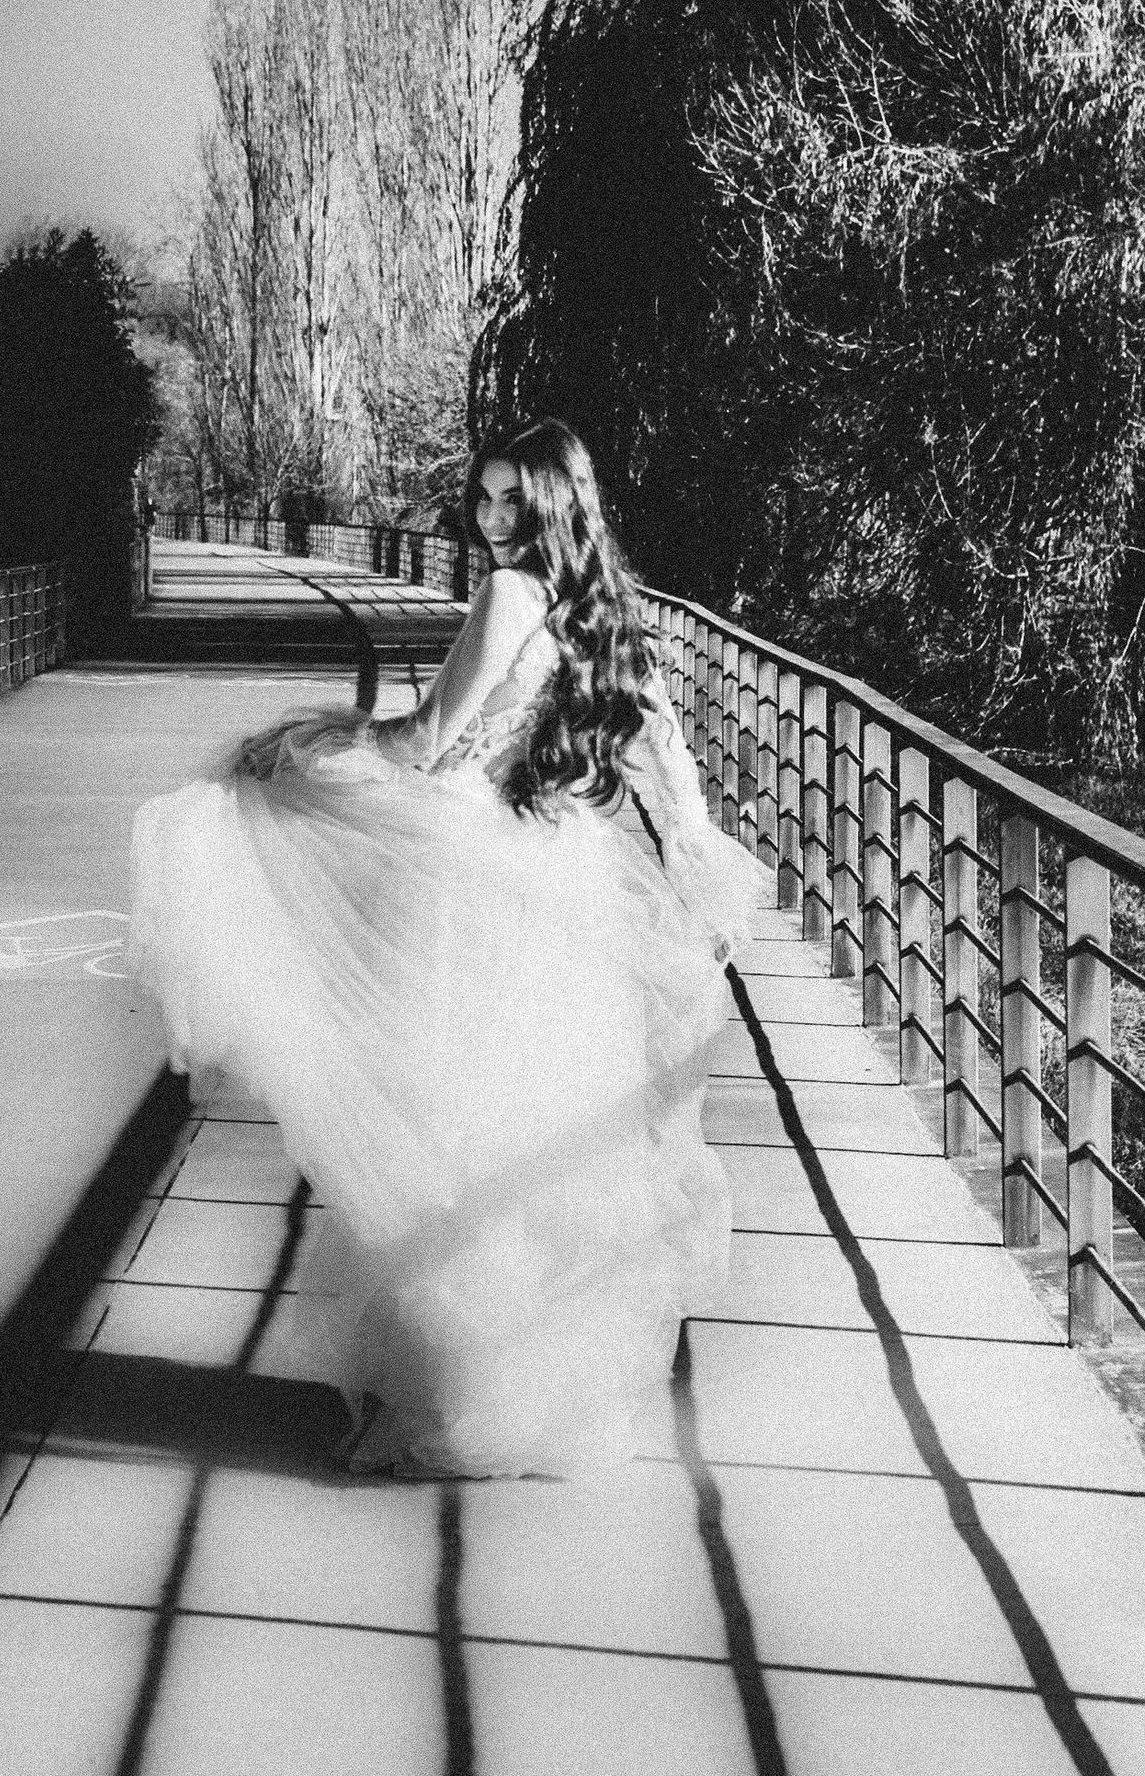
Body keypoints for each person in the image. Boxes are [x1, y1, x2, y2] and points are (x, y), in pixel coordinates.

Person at [127, 419, 767, 1477]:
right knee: (545, 1127)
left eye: (512, 501)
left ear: (554, 507)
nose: (491, 519)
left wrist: (308, 741)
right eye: (484, 498)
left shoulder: (512, 595)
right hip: (566, 875)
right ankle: (541, 1397)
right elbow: (663, 745)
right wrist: (695, 846)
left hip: (470, 875)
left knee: (444, 1122)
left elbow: (427, 743)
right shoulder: (605, 611)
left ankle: (455, 1389)